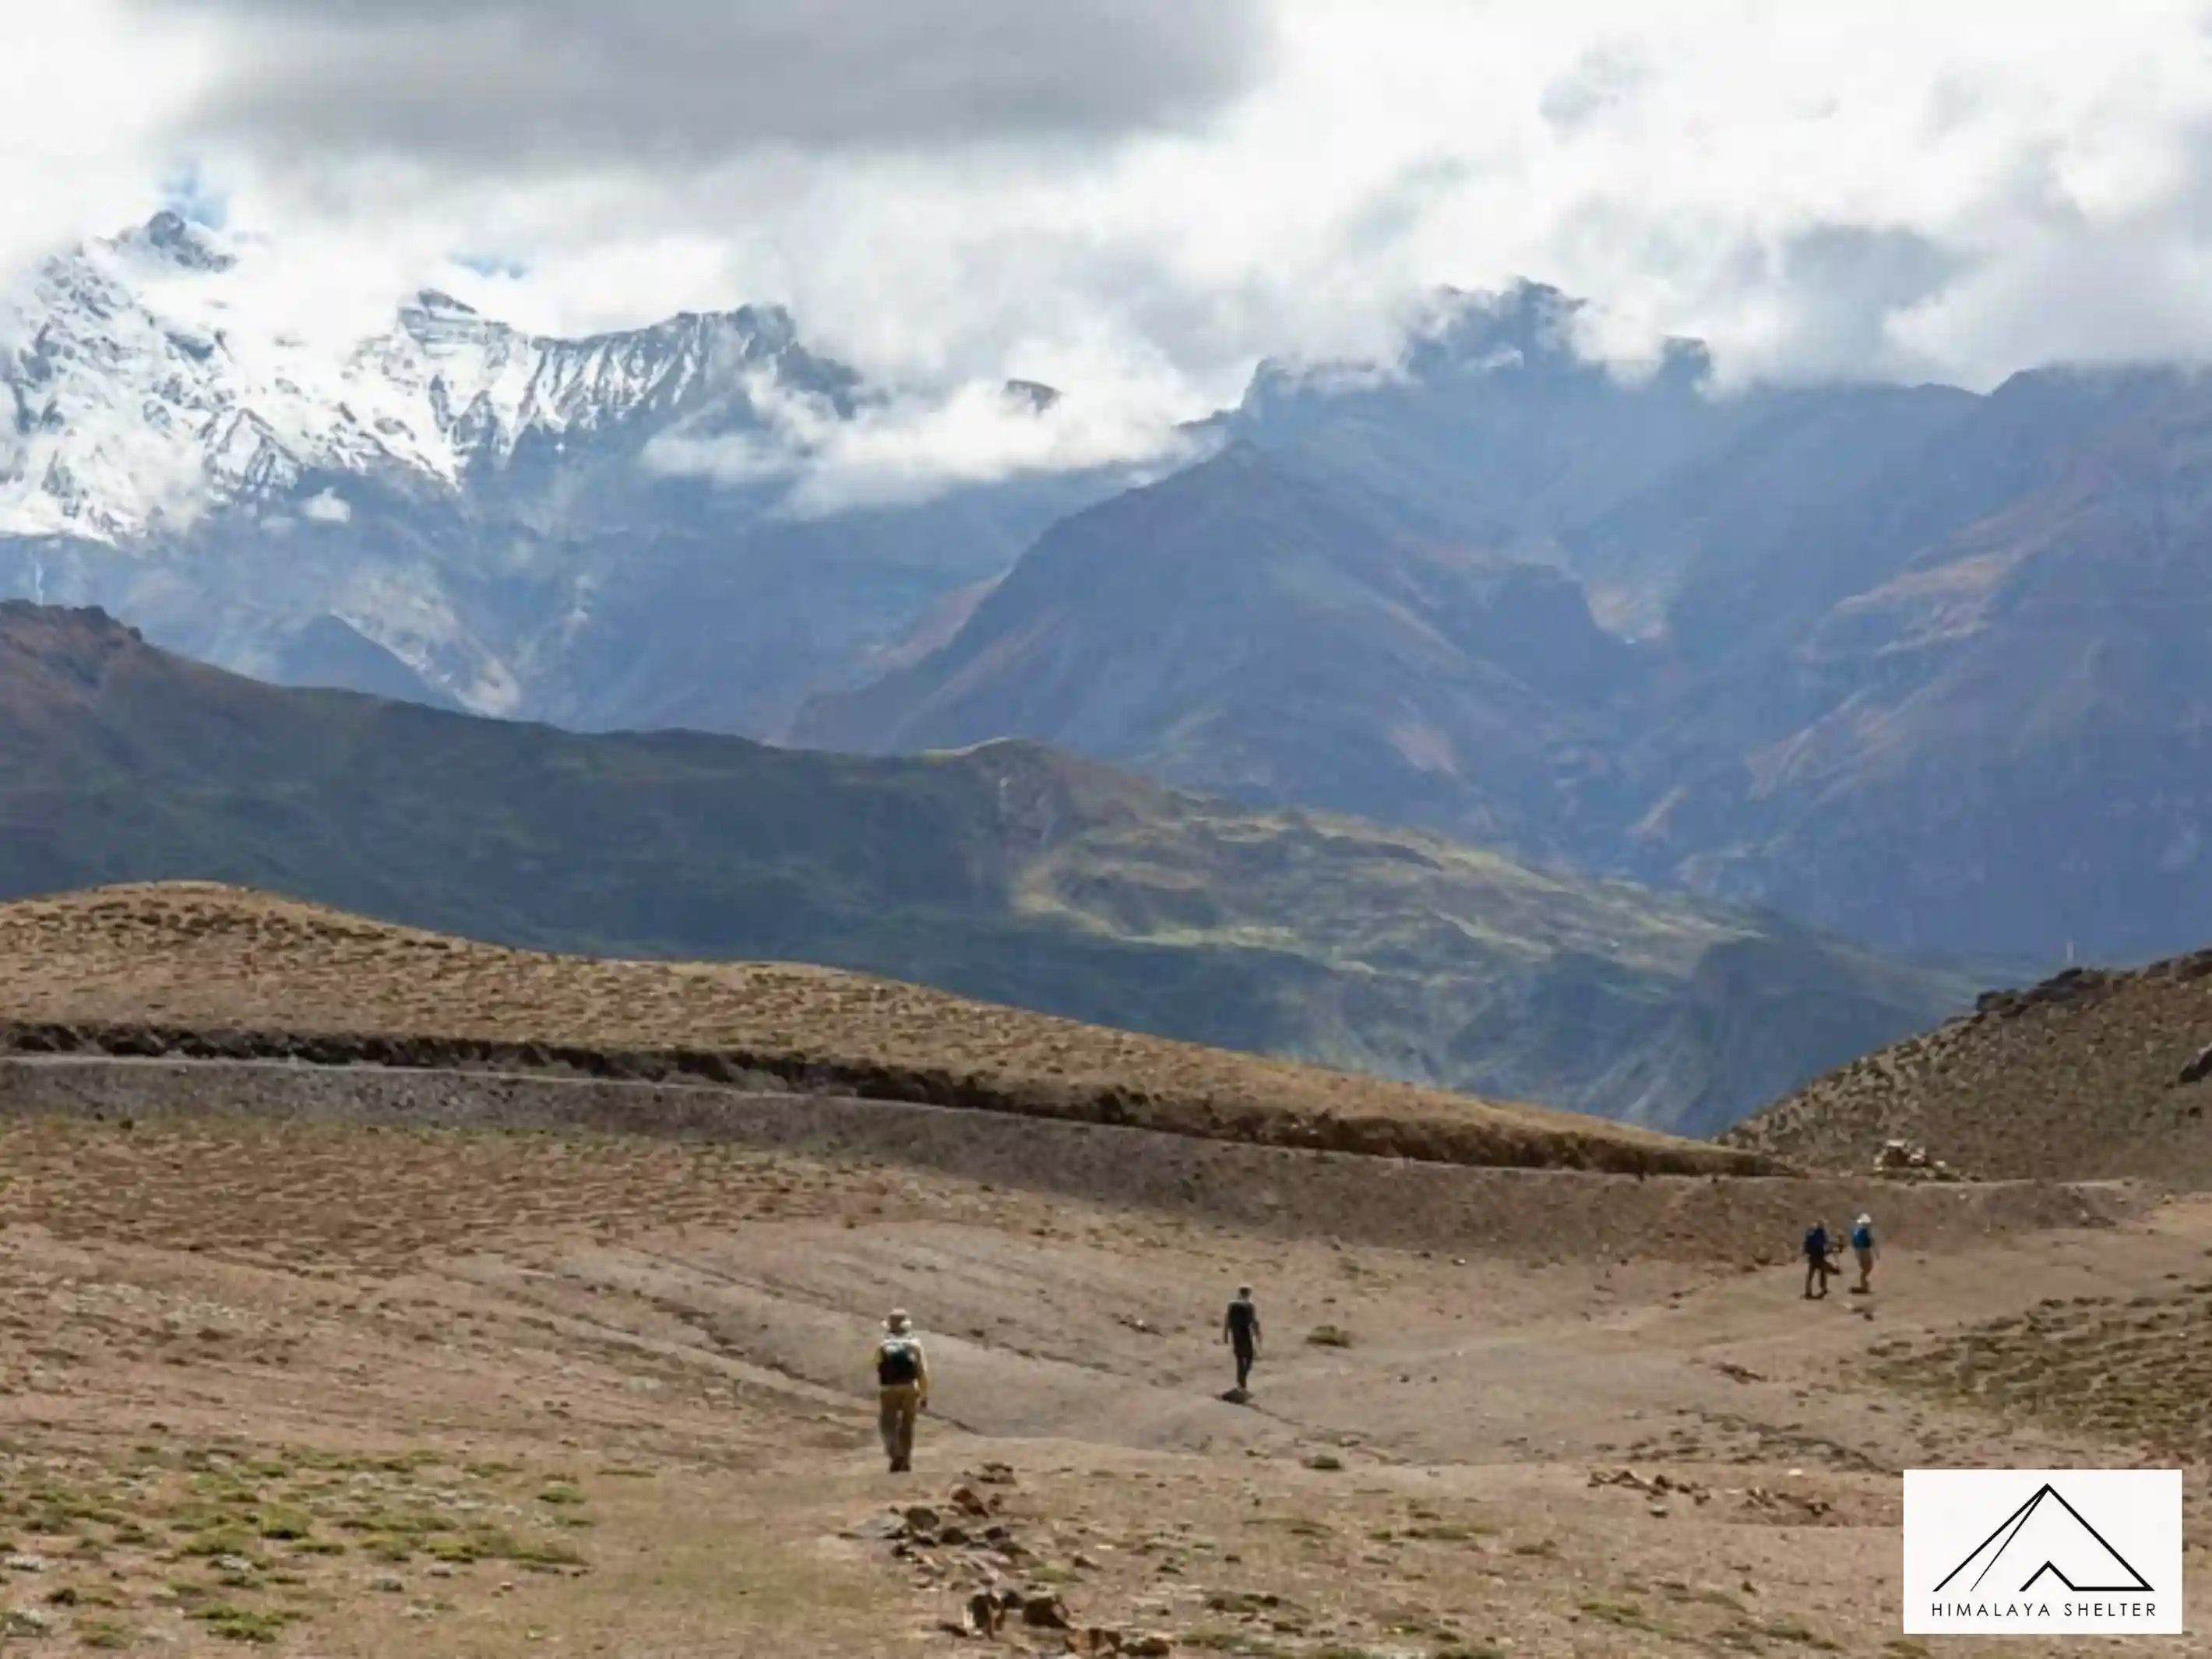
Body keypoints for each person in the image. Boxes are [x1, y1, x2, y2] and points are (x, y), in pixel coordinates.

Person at [874, 1309, 929, 1474]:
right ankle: (905, 1461)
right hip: (910, 1387)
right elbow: (922, 1371)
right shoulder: (914, 1345)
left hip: (888, 1388)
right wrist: (924, 1393)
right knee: (907, 1425)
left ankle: (894, 1452)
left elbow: (877, 1365)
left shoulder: (883, 1345)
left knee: (887, 1423)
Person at [1223, 1285, 1262, 1393]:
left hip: (1236, 1335)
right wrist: (1258, 1335)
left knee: (1240, 1359)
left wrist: (1225, 1335)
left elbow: (1227, 1321)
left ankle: (1241, 1383)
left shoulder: (1232, 1305)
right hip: (1246, 1334)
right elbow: (1254, 1322)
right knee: (1249, 1358)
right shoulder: (1250, 1305)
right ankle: (1242, 1381)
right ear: (1248, 1294)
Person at [1802, 1220, 1833, 1300]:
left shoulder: (1811, 1233)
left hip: (1813, 1256)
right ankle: (1823, 1289)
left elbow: (1806, 1244)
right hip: (1819, 1255)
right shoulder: (1821, 1233)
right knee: (1822, 1273)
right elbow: (1825, 1243)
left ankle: (1808, 1291)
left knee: (1811, 1275)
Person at [1849, 1213, 1877, 1294]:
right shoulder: (1863, 1231)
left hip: (1863, 1251)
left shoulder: (1861, 1231)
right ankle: (1864, 1286)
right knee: (1866, 1269)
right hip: (1864, 1251)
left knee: (1866, 1269)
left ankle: (1864, 1286)